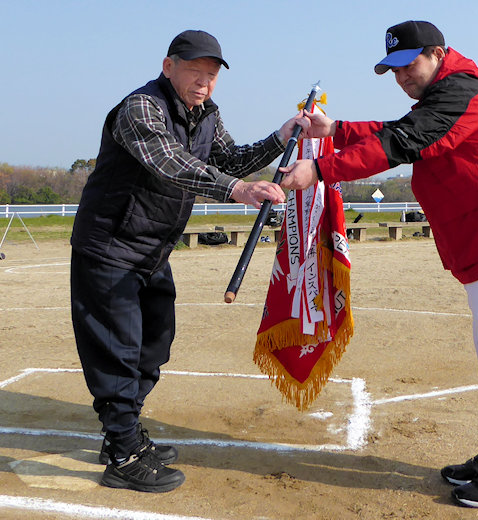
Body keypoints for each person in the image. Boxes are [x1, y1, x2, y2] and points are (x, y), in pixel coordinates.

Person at [280, 20, 478, 509]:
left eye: (407, 65)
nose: (401, 77)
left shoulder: (462, 92)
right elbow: (400, 131)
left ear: (437, 53)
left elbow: (402, 142)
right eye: (392, 70)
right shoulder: (447, 95)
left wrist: (321, 168)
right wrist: (337, 130)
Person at [71, 29, 308, 493]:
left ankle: (123, 433)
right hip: (111, 246)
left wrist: (281, 137)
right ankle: (123, 455)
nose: (204, 82)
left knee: (154, 345)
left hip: (153, 249)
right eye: (195, 71)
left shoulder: (206, 115)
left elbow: (231, 159)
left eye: (212, 75)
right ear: (168, 67)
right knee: (117, 352)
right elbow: (170, 162)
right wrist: (236, 190)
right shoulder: (140, 108)